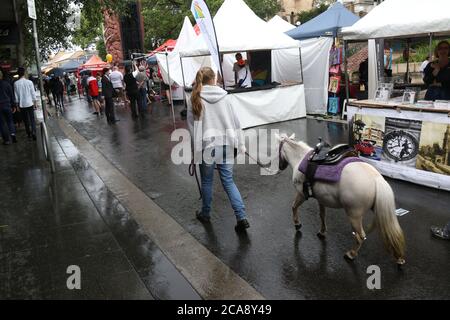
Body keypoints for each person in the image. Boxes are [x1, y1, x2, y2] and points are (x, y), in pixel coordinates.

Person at [187, 67, 249, 232]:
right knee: (228, 181)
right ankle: (241, 216)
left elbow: (193, 129)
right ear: (214, 79)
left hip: (206, 146)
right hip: (227, 144)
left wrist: (195, 152)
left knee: (207, 181)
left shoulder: (194, 98)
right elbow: (236, 124)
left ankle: (206, 213)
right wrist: (240, 144)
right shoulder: (226, 97)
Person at [14, 67, 37, 140]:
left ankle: (29, 134)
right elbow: (33, 93)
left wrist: (17, 105)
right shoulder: (29, 82)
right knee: (32, 118)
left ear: (18, 74)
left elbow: (16, 95)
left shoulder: (16, 83)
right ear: (24, 73)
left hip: (22, 104)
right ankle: (33, 131)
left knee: (26, 120)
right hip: (30, 103)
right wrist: (35, 102)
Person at [0, 69, 17, 145]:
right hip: (7, 105)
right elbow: (11, 95)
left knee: (2, 123)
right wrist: (14, 105)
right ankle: (13, 135)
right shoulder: (7, 84)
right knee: (10, 121)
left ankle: (6, 140)